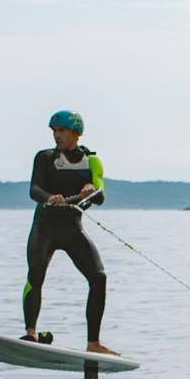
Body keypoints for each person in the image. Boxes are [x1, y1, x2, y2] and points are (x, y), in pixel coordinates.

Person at [23, 110, 118, 356]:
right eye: (54, 131)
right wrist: (49, 197)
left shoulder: (91, 162)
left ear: (76, 133)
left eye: (62, 131)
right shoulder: (45, 158)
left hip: (72, 229)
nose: (57, 136)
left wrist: (90, 188)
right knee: (36, 273)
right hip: (44, 228)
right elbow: (34, 189)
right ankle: (31, 333)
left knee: (99, 278)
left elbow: (100, 195)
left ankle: (93, 343)